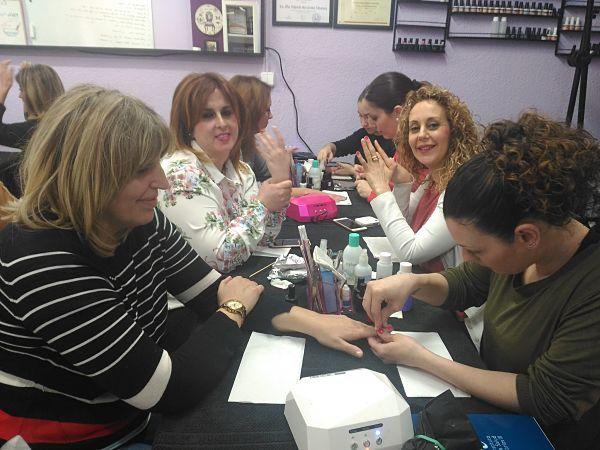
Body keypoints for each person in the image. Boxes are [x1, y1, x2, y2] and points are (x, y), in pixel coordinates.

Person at [0, 84, 375, 449]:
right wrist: (233, 309)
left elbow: (211, 292)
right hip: (88, 437)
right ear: (91, 174)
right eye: (142, 170)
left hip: (132, 413)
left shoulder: (139, 220)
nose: (161, 181)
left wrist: (311, 322)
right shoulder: (40, 259)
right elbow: (170, 388)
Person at [364, 112, 600, 450]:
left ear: (526, 237)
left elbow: (542, 397)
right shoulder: (527, 243)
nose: (469, 257)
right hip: (494, 406)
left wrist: (424, 360)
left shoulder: (590, 286)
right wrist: (413, 284)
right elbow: (468, 283)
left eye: (475, 249)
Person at [160, 73, 293, 273]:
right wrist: (263, 205)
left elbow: (265, 237)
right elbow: (220, 258)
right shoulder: (181, 174)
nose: (222, 123)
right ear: (187, 125)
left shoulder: (241, 170)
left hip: (235, 280)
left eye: (227, 112)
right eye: (207, 115)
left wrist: (280, 184)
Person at [358, 85, 479, 272]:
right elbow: (404, 229)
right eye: (414, 128)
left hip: (455, 298)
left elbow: (410, 252)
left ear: (454, 131)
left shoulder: (464, 187)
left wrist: (381, 190)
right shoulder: (433, 177)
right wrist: (403, 183)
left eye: (432, 125)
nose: (422, 135)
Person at [317, 72, 417, 177]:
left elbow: (394, 184)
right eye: (360, 116)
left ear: (398, 113)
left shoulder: (409, 147)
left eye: (373, 117)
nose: (364, 123)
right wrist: (328, 147)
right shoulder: (398, 143)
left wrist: (356, 173)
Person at [0, 60, 65, 196]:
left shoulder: (36, 130)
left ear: (33, 94)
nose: (19, 95)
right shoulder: (60, 124)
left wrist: (2, 90)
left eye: (22, 90)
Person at [229, 74, 274, 182]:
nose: (271, 116)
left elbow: (267, 176)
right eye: (267, 110)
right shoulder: (228, 147)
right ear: (252, 111)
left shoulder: (248, 140)